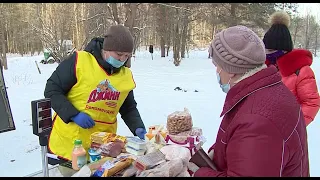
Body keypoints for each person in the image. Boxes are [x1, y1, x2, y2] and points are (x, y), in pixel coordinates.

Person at [188, 25, 309, 177]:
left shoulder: (256, 121)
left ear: (230, 70)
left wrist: (201, 173)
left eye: (217, 65)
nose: (216, 71)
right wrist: (219, 151)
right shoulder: (270, 89)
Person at [44, 25, 147, 161]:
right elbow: (52, 90)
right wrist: (74, 114)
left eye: (126, 56)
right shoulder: (79, 61)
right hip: (72, 142)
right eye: (119, 54)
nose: (122, 60)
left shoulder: (125, 75)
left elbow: (128, 108)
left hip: (103, 145)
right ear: (106, 49)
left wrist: (137, 126)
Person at [263, 11, 320, 126]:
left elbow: (311, 103)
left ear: (283, 50)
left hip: (288, 135)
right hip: (263, 131)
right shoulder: (263, 68)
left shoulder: (301, 71)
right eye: (266, 50)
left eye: (271, 51)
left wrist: (294, 126)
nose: (268, 54)